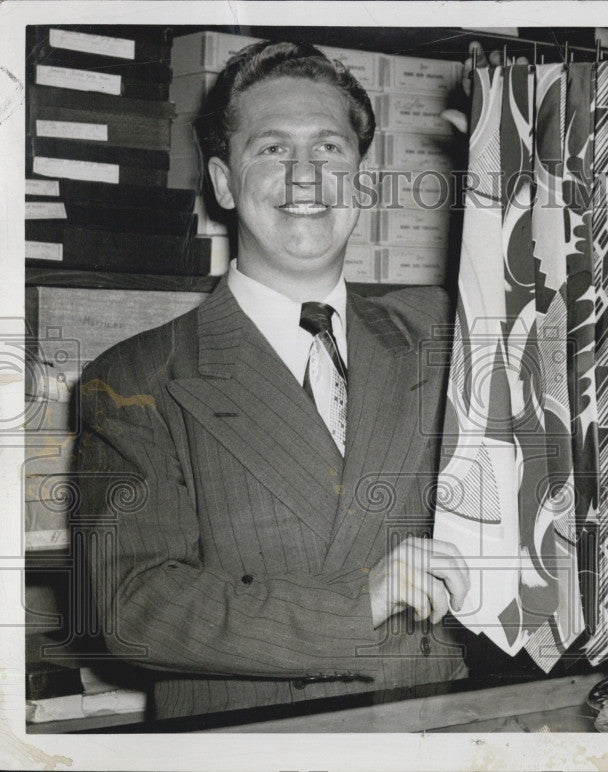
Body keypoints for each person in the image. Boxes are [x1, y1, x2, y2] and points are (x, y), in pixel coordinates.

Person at [74, 40, 471, 721]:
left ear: (363, 180)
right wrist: (359, 603)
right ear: (223, 183)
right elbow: (135, 607)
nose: (306, 176)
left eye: (329, 149)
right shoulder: (134, 379)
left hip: (441, 727)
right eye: (272, 149)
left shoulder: (443, 335)